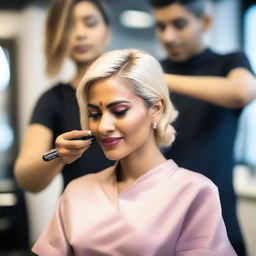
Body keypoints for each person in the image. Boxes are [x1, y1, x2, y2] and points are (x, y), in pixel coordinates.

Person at [32, 48, 236, 255]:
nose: (103, 126)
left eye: (119, 111)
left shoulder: (194, 192)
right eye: (94, 114)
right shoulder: (76, 191)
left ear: (156, 109)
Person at [148, 0, 256, 255]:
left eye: (179, 24)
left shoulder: (229, 62)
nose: (168, 36)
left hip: (220, 222)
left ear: (204, 22)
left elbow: (243, 91)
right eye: (161, 27)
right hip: (161, 224)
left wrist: (158, 79)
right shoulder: (157, 69)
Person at [14, 0, 113, 192]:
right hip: (80, 214)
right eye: (68, 27)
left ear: (107, 30)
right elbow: (26, 178)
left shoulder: (134, 90)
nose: (80, 34)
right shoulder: (53, 100)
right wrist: (59, 155)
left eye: (90, 23)